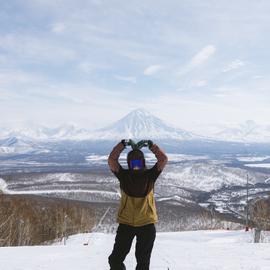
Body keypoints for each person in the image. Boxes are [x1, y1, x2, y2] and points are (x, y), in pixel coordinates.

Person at [108, 139, 168, 270]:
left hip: (126, 224)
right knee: (143, 263)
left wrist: (122, 144)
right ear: (143, 162)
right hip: (147, 224)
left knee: (115, 260)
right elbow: (163, 159)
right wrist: (152, 146)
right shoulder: (151, 175)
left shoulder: (123, 175)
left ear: (129, 163)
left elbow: (112, 160)